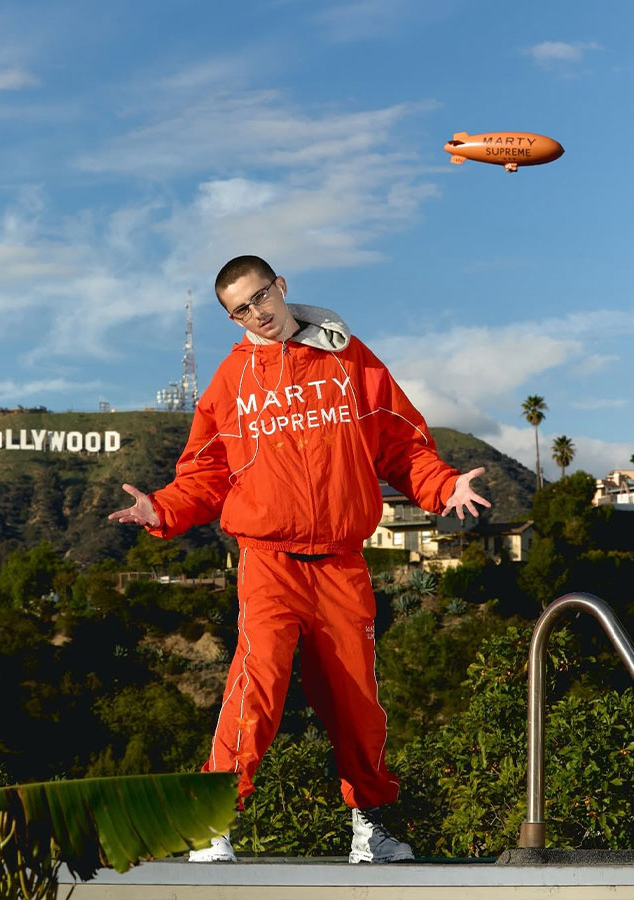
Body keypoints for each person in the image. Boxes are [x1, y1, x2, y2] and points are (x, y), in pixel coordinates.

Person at [109, 255, 490, 863]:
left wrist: (445, 487)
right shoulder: (230, 383)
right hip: (268, 561)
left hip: (341, 561)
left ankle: (372, 827)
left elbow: (400, 442)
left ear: (281, 287)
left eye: (262, 296)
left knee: (355, 698)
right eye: (241, 308)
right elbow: (205, 472)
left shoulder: (348, 360)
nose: (257, 313)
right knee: (255, 686)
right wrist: (163, 510)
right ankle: (211, 824)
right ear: (229, 317)